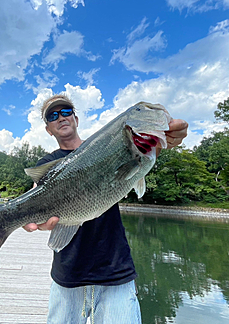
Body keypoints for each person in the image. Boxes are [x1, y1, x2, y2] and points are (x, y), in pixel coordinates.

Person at [23, 94, 188, 324]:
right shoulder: (47, 163)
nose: (61, 117)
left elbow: (141, 158)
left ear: (76, 119)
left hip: (115, 274)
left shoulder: (107, 146)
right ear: (49, 129)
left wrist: (165, 139)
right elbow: (37, 188)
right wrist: (26, 211)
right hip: (68, 277)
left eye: (66, 111)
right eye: (53, 115)